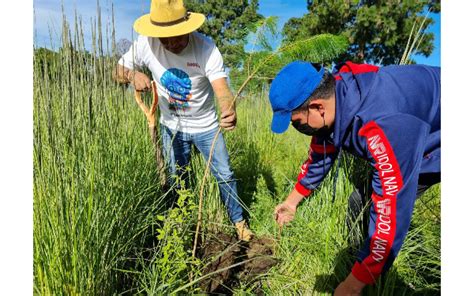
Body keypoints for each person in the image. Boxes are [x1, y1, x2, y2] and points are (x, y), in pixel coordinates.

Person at [270, 61, 440, 295]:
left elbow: (390, 207)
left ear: (318, 107)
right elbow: (321, 151)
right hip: (413, 123)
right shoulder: (338, 94)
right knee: (359, 202)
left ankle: (375, 273)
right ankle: (366, 264)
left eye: (297, 123)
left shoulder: (382, 124)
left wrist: (352, 286)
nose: (296, 128)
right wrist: (291, 202)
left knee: (380, 209)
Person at [114, 0, 252, 241]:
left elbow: (221, 88)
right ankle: (184, 225)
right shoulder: (147, 43)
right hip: (171, 127)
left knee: (225, 173)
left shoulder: (206, 48)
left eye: (176, 36)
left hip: (207, 126)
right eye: (164, 38)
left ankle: (239, 223)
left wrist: (228, 108)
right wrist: (132, 74)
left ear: (187, 28)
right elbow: (118, 70)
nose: (171, 43)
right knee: (178, 177)